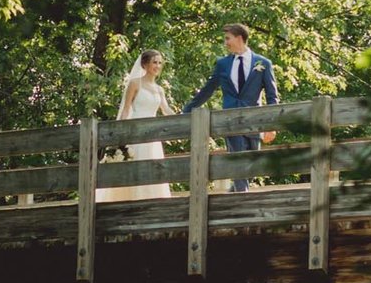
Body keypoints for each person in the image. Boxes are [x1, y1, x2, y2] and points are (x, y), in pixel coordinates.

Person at [183, 22, 279, 193]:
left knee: (252, 167)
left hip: (254, 122)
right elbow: (207, 89)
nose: (225, 43)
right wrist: (187, 110)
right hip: (230, 121)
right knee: (239, 164)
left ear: (239, 38)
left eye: (228, 38)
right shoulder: (223, 64)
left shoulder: (263, 63)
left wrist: (272, 125)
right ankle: (244, 204)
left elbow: (272, 97)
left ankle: (232, 195)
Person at [98, 51, 175, 202]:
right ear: (145, 64)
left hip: (153, 134)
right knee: (135, 162)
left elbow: (166, 109)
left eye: (160, 63)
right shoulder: (135, 83)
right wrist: (120, 131)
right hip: (136, 129)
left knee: (153, 164)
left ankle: (153, 201)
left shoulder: (160, 89)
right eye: (154, 62)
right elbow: (126, 108)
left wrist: (185, 117)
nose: (157, 66)